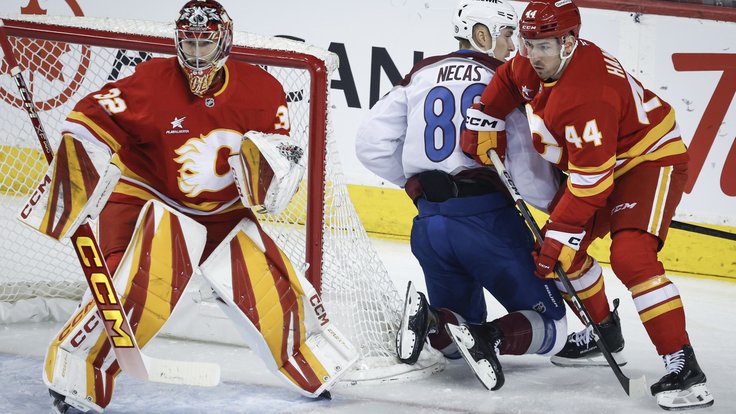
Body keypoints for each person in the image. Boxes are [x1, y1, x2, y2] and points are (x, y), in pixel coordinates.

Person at [19, 1, 357, 412]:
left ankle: (310, 356)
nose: (196, 53)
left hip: (224, 212)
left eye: (205, 43)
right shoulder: (150, 83)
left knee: (269, 286)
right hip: (145, 196)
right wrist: (71, 186)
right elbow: (87, 120)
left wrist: (270, 177)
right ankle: (78, 369)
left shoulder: (263, 92)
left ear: (225, 40)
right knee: (138, 286)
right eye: (189, 42)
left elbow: (278, 160)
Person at [460, 0, 713, 409]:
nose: (532, 55)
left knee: (631, 257)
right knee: (560, 254)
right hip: (597, 168)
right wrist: (484, 117)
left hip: (648, 161)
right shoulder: (533, 59)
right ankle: (604, 332)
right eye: (526, 43)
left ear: (569, 42)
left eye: (543, 46)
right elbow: (509, 80)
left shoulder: (586, 96)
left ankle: (683, 365)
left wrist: (562, 233)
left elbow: (592, 188)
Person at [356, 0, 567, 391]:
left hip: (430, 226)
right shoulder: (503, 79)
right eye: (508, 35)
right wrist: (563, 207)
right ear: (481, 34)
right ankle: (492, 338)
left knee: (455, 343)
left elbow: (370, 144)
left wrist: (418, 184)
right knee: (553, 325)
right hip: (488, 223)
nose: (516, 47)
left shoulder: (420, 73)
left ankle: (433, 322)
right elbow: (526, 168)